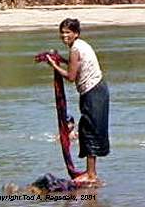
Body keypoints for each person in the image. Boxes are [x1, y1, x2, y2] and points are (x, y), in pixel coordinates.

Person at [46, 18, 110, 183]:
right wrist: (61, 60)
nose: (64, 35)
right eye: (62, 32)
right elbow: (76, 65)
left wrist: (54, 65)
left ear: (76, 33)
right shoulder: (80, 45)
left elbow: (70, 76)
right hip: (97, 91)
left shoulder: (76, 49)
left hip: (93, 92)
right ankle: (91, 172)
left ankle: (91, 174)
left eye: (68, 32)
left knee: (89, 130)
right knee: (87, 129)